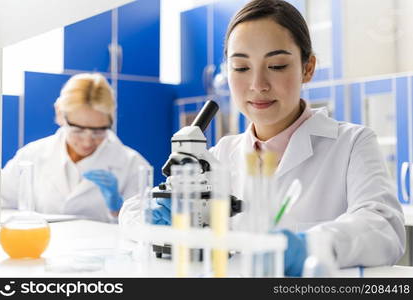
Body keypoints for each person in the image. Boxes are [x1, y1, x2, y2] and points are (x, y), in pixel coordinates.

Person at [120, 0, 405, 276]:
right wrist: (150, 215)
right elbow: (133, 211)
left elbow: (384, 228)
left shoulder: (352, 144)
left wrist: (310, 246)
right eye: (241, 68)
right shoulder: (221, 155)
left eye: (277, 65)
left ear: (308, 68)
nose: (258, 85)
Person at [2, 73, 150, 223]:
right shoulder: (31, 156)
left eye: (99, 131)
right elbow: (1, 202)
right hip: (44, 245)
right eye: (78, 130)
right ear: (60, 114)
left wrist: (118, 211)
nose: (87, 142)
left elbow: (143, 230)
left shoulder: (133, 165)